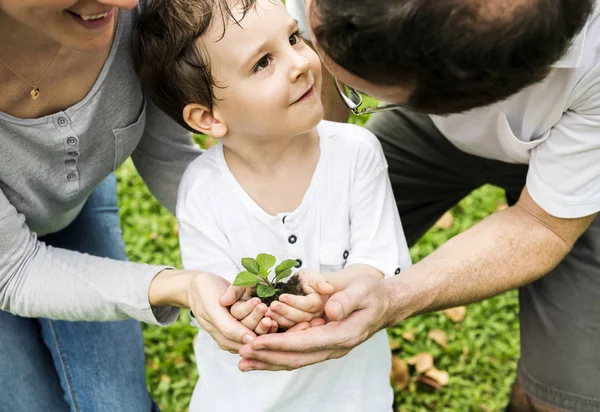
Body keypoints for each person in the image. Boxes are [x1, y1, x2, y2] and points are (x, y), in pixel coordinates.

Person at [231, 0, 600, 411]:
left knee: (563, 397)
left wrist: (392, 298)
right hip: (425, 104)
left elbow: (542, 225)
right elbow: (323, 94)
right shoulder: (335, 9)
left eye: (356, 90)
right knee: (304, 272)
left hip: (583, 140)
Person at [133, 0, 412, 410]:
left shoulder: (357, 153)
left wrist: (332, 295)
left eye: (294, 37)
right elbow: (222, 303)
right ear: (208, 118)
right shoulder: (203, 190)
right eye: (263, 62)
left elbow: (381, 265)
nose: (300, 62)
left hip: (353, 398)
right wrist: (252, 313)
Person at [0, 0, 265, 410]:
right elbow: (15, 270)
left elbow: (166, 155)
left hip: (71, 210)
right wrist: (179, 285)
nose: (124, 2)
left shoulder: (131, 14)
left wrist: (264, 247)